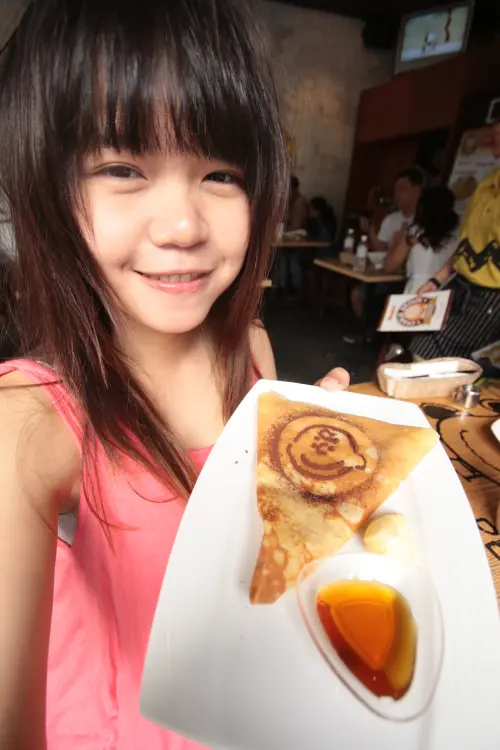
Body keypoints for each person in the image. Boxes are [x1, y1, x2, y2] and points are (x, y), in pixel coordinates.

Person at [0, 2, 350, 748]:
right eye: (123, 169)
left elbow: (260, 558)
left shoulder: (251, 348)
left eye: (220, 174)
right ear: (46, 186)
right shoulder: (28, 417)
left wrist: (309, 480)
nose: (184, 226)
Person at [409, 119, 500, 360]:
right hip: (459, 285)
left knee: (452, 363)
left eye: (497, 132)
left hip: (491, 296)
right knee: (421, 349)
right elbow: (468, 245)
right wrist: (437, 279)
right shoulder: (488, 182)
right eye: (491, 131)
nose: (490, 138)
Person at [352, 168, 424, 319]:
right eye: (396, 190)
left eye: (402, 189)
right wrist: (370, 229)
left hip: (412, 279)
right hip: (387, 274)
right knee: (357, 295)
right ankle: (368, 329)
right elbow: (380, 248)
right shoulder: (391, 219)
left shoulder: (424, 221)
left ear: (417, 190)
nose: (397, 195)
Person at [383, 186, 459, 294]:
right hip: (446, 293)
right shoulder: (458, 232)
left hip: (418, 291)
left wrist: (396, 239)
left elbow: (389, 267)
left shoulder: (415, 232)